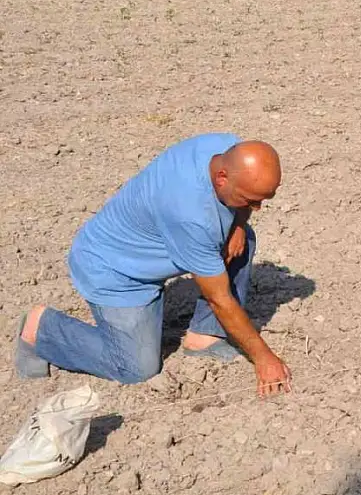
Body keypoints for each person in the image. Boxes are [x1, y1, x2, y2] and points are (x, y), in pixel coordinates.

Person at [13, 134, 293, 397]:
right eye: (250, 200)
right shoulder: (190, 215)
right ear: (222, 178)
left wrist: (239, 222)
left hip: (152, 246)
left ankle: (204, 336)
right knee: (136, 368)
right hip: (115, 273)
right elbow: (219, 298)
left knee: (240, 239)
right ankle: (43, 329)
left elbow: (235, 214)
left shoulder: (226, 147)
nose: (257, 209)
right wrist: (264, 358)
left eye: (262, 200)